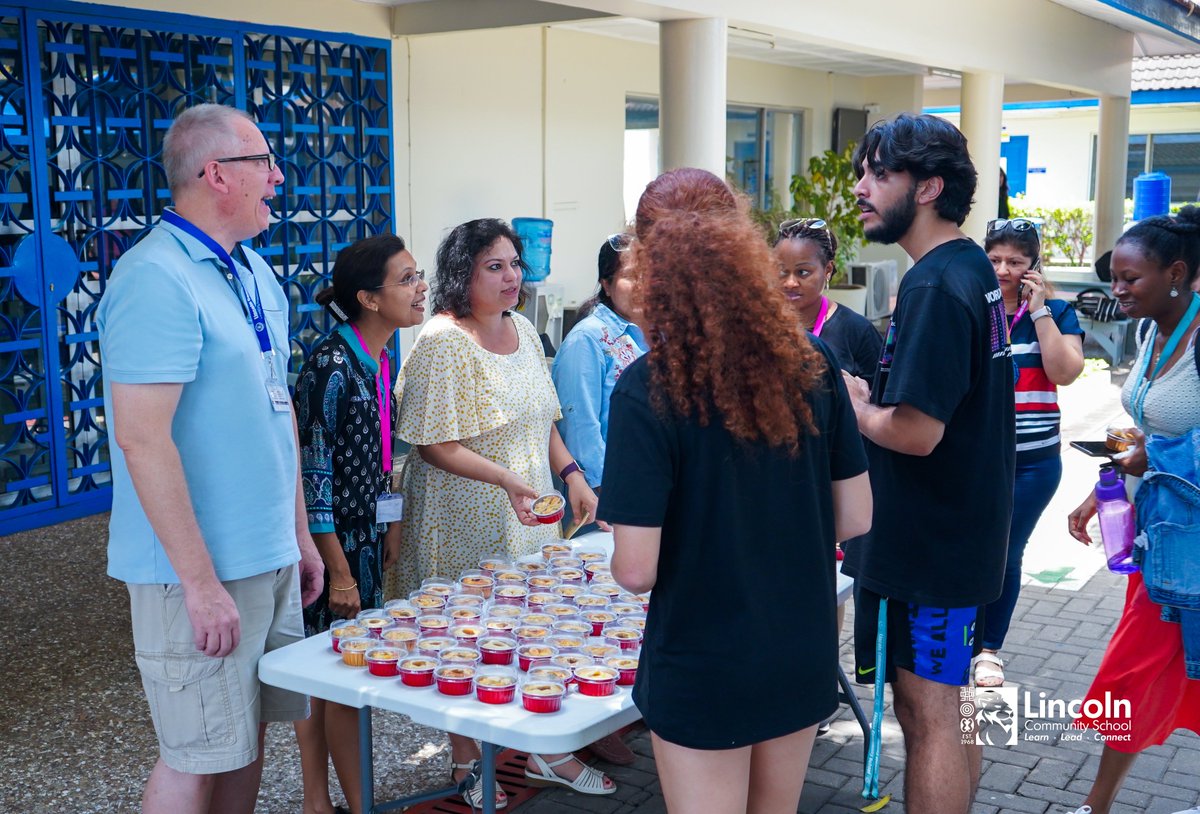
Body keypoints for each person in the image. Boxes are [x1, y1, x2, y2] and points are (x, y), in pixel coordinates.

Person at [600, 167, 873, 814]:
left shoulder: (647, 389)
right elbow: (856, 515)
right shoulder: (815, 362)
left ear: (648, 260)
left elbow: (636, 570)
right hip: (798, 647)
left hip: (703, 661)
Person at [95, 103, 324, 814]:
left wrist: (300, 537)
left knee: (244, 740)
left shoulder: (251, 270)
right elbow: (142, 438)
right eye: (265, 165)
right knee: (193, 756)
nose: (279, 179)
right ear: (216, 173)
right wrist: (198, 583)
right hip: (197, 572)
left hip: (266, 556)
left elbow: (274, 410)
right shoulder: (155, 278)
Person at [390, 217, 614, 802]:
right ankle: (466, 764)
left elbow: (544, 419)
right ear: (463, 274)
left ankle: (543, 750)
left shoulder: (521, 327)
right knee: (465, 639)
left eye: (515, 264)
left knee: (529, 624)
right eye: (495, 266)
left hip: (526, 512)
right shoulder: (443, 342)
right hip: (460, 519)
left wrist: (572, 476)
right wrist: (508, 480)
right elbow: (433, 443)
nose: (512, 276)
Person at [839, 113, 1015, 814]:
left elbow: (915, 432)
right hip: (956, 537)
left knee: (930, 713)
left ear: (930, 187)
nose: (861, 187)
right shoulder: (967, 265)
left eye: (880, 173)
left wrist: (856, 408)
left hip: (932, 547)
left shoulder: (936, 286)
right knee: (952, 706)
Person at [1062, 205, 1200, 814]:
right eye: (1112, 277)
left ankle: (1095, 806)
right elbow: (1140, 425)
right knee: (1151, 674)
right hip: (1158, 539)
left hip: (1190, 548)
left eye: (1129, 279)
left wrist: (1154, 459)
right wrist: (1102, 488)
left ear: (1176, 272)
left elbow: (1163, 444)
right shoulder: (1150, 332)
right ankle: (1098, 805)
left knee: (1134, 673)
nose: (1115, 290)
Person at [292, 234, 428, 814]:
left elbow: (380, 453)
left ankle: (331, 800)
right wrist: (340, 571)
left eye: (418, 275)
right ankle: (338, 801)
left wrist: (391, 525)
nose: (421, 288)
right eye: (407, 279)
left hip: (366, 545)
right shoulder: (330, 366)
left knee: (339, 681)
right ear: (369, 299)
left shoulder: (377, 357)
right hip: (332, 558)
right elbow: (313, 481)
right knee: (333, 682)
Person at [550, 232, 647, 766]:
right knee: (593, 618)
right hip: (605, 506)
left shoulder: (644, 333)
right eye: (631, 274)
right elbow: (582, 428)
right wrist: (612, 500)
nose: (643, 283)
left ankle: (613, 713)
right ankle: (584, 728)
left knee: (629, 616)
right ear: (607, 283)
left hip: (644, 502)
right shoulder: (588, 340)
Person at [975, 218, 1085, 687]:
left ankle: (988, 649)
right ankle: (963, 636)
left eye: (1016, 262)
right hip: (978, 459)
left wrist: (1039, 312)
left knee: (1006, 550)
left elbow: (1065, 372)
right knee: (974, 547)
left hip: (1033, 463)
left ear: (1033, 266)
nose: (1003, 270)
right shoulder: (974, 308)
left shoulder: (1058, 312)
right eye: (995, 259)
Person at [773, 217, 882, 378]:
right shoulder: (762, 325)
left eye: (802, 272)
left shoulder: (857, 331)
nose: (790, 283)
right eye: (782, 271)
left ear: (827, 270)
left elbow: (885, 398)